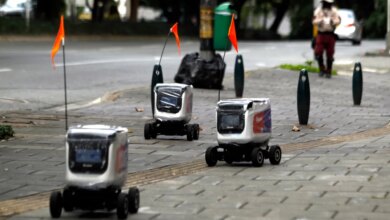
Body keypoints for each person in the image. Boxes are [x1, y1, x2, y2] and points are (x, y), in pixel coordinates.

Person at [312, 0, 341, 78]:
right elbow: (314, 20)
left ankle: (329, 71)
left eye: (329, 3)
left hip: (330, 34)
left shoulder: (334, 11)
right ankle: (321, 69)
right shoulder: (318, 11)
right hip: (321, 34)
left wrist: (332, 22)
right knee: (319, 52)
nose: (328, 4)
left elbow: (338, 20)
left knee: (330, 53)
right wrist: (320, 21)